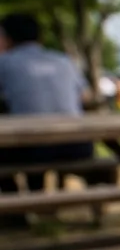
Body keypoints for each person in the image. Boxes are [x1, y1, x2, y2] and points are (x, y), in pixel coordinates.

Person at [0, 13, 91, 207]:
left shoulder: (5, 63)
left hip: (32, 149)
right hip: (78, 146)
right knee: (34, 141)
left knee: (18, 147)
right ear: (39, 37)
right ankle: (39, 203)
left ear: (6, 38)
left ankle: (18, 213)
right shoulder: (64, 61)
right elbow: (85, 97)